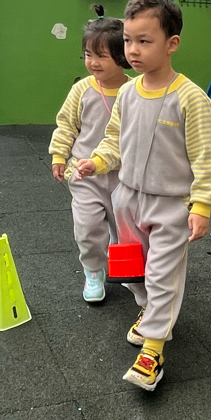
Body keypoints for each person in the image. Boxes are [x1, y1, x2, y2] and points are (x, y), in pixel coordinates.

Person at [76, 0, 211, 392]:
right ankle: (149, 311)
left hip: (171, 205)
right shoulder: (127, 92)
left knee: (162, 275)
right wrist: (97, 161)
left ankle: (153, 350)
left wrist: (202, 205)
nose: (133, 50)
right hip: (127, 199)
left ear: (171, 44)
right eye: (128, 40)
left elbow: (205, 158)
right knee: (133, 271)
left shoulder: (191, 99)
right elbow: (114, 140)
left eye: (144, 41)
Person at [49, 16, 130, 304]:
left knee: (126, 229)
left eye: (101, 56)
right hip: (85, 174)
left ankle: (125, 266)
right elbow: (66, 125)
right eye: (88, 55)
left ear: (122, 56)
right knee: (88, 227)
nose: (93, 62)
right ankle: (94, 270)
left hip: (124, 176)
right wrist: (59, 155)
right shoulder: (82, 89)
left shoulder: (134, 91)